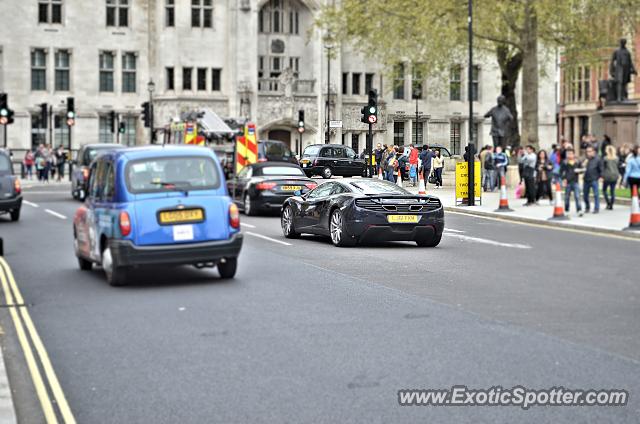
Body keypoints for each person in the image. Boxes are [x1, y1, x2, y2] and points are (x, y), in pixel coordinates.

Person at [561, 149, 584, 217]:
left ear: (574, 154)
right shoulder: (564, 162)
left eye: (571, 153)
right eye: (568, 154)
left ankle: (579, 210)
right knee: (567, 197)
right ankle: (567, 210)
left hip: (575, 181)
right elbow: (561, 172)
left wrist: (579, 171)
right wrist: (563, 179)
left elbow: (582, 170)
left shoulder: (577, 162)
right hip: (567, 182)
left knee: (577, 196)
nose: (569, 155)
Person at [582, 145, 603, 213]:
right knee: (585, 195)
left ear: (593, 152)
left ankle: (596, 208)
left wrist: (600, 177)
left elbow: (601, 169)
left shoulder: (597, 159)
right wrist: (583, 164)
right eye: (587, 151)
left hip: (594, 179)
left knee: (596, 194)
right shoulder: (585, 159)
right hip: (586, 179)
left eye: (590, 151)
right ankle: (587, 207)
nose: (588, 153)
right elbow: (581, 167)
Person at [602, 145, 619, 210]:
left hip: (607, 176)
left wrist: (602, 175)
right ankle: (611, 204)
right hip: (615, 175)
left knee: (604, 190)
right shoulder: (616, 158)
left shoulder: (605, 158)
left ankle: (608, 203)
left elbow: (603, 167)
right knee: (612, 190)